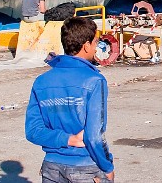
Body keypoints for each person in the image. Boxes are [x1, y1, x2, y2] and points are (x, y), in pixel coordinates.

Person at [25, 17, 115, 182]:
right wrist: (108, 167)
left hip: (51, 168)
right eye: (95, 42)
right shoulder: (94, 81)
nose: (96, 48)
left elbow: (33, 131)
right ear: (86, 45)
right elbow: (94, 136)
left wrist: (66, 139)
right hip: (86, 167)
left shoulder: (41, 81)